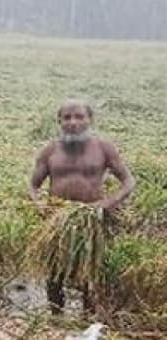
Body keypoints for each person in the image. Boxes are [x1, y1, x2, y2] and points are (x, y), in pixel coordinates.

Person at [29, 99, 136, 314]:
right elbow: (33, 185)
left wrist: (108, 204)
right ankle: (56, 317)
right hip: (57, 222)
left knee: (90, 271)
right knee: (55, 273)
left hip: (92, 221)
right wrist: (39, 204)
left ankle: (88, 316)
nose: (73, 122)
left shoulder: (104, 148)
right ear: (59, 121)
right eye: (67, 117)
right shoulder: (50, 151)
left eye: (79, 116)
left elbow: (128, 182)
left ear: (90, 119)